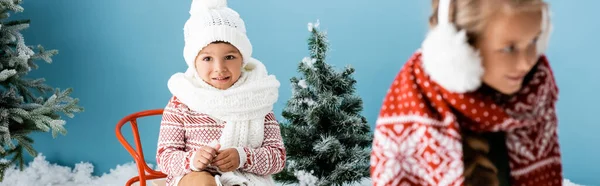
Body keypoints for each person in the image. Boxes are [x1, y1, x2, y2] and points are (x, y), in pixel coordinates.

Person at [370, 0, 560, 185]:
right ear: (459, 50)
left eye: (534, 40)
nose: (527, 62)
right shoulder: (415, 119)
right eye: (509, 49)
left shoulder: (534, 98)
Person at [155, 0, 285, 185]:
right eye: (207, 58)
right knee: (203, 181)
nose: (219, 68)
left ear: (243, 59)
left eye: (229, 57)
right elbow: (165, 157)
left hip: (242, 178)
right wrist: (193, 159)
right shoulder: (182, 101)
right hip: (193, 177)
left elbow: (277, 157)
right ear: (194, 62)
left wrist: (243, 157)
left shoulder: (258, 99)